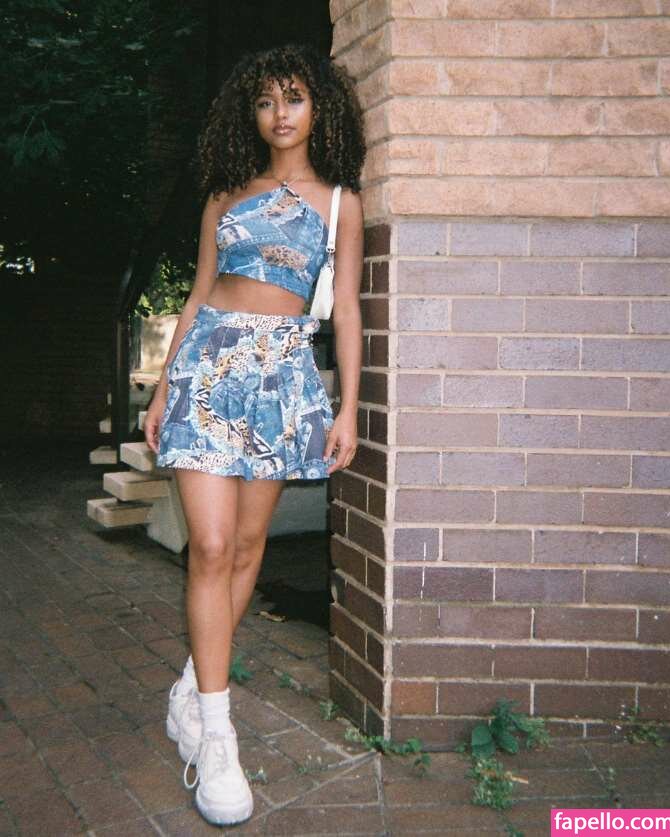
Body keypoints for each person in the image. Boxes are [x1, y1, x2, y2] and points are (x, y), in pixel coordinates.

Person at [143, 43, 365, 827]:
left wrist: (348, 408)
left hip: (281, 380)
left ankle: (190, 688)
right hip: (208, 370)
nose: (280, 114)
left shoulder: (339, 204)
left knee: (244, 548)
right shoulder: (224, 195)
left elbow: (348, 310)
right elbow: (199, 293)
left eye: (293, 98)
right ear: (252, 113)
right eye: (266, 101)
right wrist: (164, 386)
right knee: (208, 545)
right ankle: (218, 733)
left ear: (319, 107)